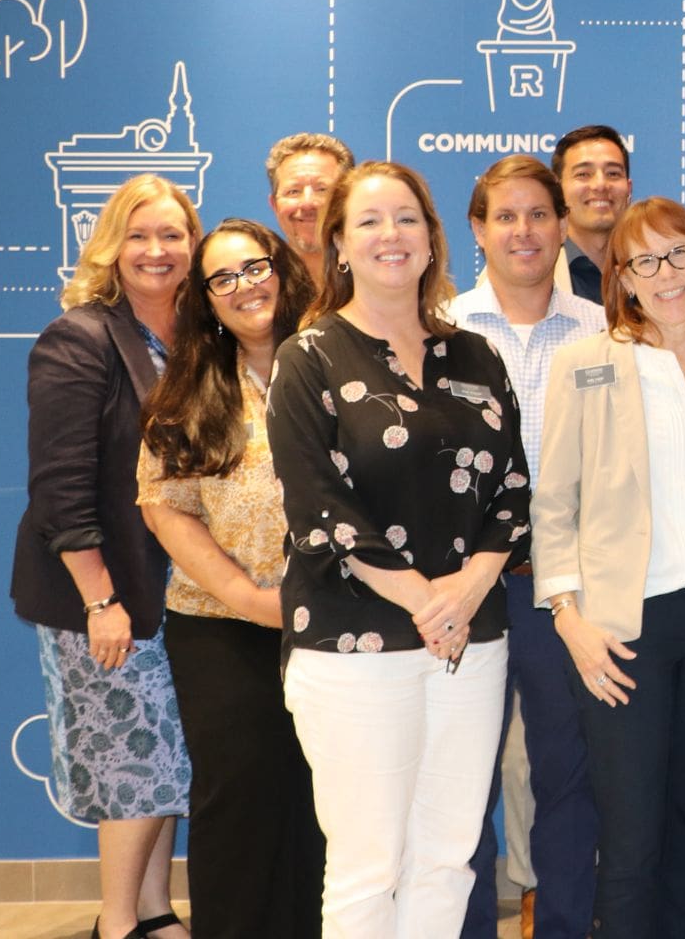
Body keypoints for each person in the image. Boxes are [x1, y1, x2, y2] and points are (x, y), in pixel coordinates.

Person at [267, 160, 529, 936]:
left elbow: (512, 489)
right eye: (371, 221)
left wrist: (465, 595)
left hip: (469, 640)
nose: (392, 235)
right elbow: (321, 507)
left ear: (432, 238)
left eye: (408, 218)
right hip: (353, 644)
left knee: (448, 856)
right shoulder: (308, 358)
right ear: (339, 243)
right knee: (368, 865)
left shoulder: (475, 355)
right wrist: (427, 600)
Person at [531, 197, 685, 936]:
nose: (666, 274)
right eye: (644, 261)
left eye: (680, 253)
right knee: (632, 837)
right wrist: (569, 619)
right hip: (622, 625)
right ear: (624, 280)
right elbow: (554, 506)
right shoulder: (587, 363)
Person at [12, 174, 199, 939]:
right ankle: (118, 924)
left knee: (162, 760)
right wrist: (100, 599)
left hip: (175, 588)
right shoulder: (81, 337)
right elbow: (61, 486)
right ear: (111, 247)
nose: (157, 251)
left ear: (194, 243)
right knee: (132, 764)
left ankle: (154, 913)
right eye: (139, 235)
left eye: (173, 234)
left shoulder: (196, 337)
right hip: (104, 594)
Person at [137, 219, 322, 938]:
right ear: (206, 300)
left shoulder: (339, 363)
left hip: (337, 622)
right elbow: (167, 509)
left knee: (325, 801)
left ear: (284, 269)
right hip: (220, 626)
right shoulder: (187, 390)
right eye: (224, 278)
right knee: (241, 800)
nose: (246, 286)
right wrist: (249, 598)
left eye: (257, 266)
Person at [448, 156, 608, 939]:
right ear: (477, 229)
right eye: (504, 216)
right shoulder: (438, 330)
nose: (523, 231)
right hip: (464, 588)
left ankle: (566, 926)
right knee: (462, 780)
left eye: (538, 215)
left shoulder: (606, 330)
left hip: (563, 587)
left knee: (567, 778)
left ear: (563, 226)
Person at [552, 125, 634, 304]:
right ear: (557, 190)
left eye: (613, 173)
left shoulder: (653, 269)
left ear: (629, 189)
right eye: (583, 174)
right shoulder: (530, 271)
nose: (600, 185)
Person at [266, 132, 355, 282]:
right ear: (274, 205)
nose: (307, 203)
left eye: (322, 189)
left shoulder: (376, 277)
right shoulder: (262, 285)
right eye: (293, 191)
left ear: (348, 199)